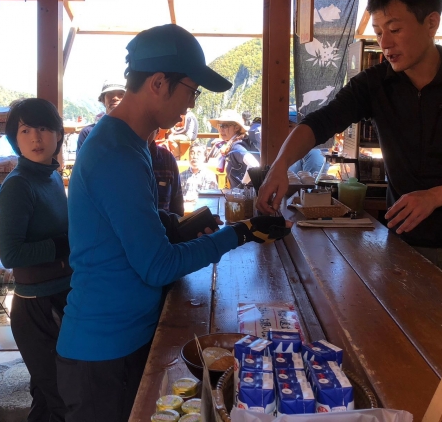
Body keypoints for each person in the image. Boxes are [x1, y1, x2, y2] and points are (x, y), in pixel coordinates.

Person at [57, 23, 290, 422]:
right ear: (159, 83)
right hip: (103, 353)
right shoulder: (116, 153)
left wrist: (172, 226)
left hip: (121, 340)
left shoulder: (130, 143)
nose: (191, 105)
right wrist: (240, 232)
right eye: (191, 91)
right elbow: (157, 266)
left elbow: (126, 229)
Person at [257, 0, 442, 295]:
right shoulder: (375, 84)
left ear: (431, 23)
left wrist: (434, 196)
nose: (385, 42)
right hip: (403, 244)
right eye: (379, 32)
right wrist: (280, 165)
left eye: (395, 29)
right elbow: (320, 122)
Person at [0, 98, 70, 422]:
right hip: (37, 308)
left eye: (43, 128)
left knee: (46, 392)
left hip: (60, 297)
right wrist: (63, 245)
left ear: (58, 134)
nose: (36, 138)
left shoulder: (51, 176)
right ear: (15, 138)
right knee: (60, 396)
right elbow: (10, 254)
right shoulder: (18, 185)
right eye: (25, 130)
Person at [207, 109, 260, 189]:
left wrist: (241, 186)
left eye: (224, 126)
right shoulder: (238, 143)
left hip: (243, 198)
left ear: (236, 128)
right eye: (219, 126)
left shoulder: (236, 146)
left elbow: (254, 165)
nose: (221, 129)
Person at [75, 81, 126, 153]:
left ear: (127, 100)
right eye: (110, 93)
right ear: (102, 99)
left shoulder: (134, 131)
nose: (115, 98)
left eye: (121, 94)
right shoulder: (88, 132)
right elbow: (81, 163)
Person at [148, 131, 184, 215]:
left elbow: (177, 206)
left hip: (164, 227)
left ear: (157, 131)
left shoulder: (167, 158)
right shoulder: (121, 158)